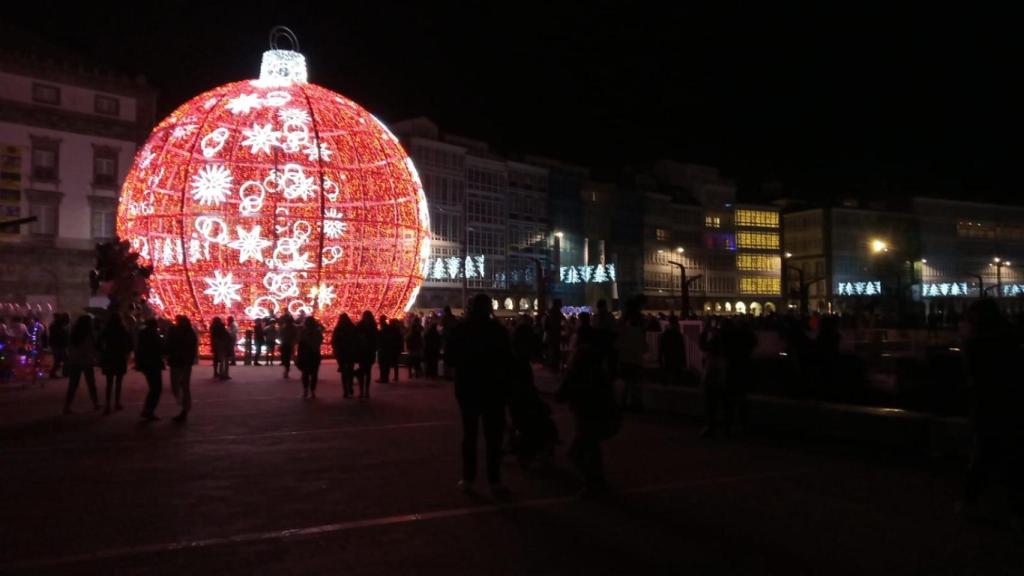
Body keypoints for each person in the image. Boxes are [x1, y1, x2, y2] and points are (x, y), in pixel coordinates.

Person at [961, 299, 1022, 525]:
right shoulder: (1008, 338)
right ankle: (1012, 506)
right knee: (1009, 454)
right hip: (1008, 402)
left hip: (985, 404)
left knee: (983, 454)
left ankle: (971, 501)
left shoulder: (975, 344)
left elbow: (974, 377)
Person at [446, 293, 513, 496]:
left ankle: (468, 478)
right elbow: (507, 360)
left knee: (470, 435)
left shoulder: (461, 329)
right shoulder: (498, 331)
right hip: (493, 389)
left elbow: (450, 359)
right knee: (493, 437)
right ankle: (495, 480)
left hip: (468, 388)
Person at [558, 316, 618, 495]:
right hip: (597, 413)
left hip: (584, 415)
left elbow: (561, 394)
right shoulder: (599, 370)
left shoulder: (576, 369)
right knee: (591, 449)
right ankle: (596, 481)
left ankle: (593, 482)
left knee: (579, 452)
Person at [63, 315, 99, 414]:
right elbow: (91, 348)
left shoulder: (74, 334)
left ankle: (67, 406)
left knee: (73, 385)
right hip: (86, 361)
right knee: (91, 384)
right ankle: (95, 403)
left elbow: (70, 348)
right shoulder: (89, 335)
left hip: (75, 361)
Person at [616, 299, 647, 410]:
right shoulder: (639, 325)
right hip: (635, 356)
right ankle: (635, 402)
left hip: (625, 356)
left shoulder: (622, 324)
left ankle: (624, 401)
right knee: (635, 381)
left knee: (626, 380)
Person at [98, 314, 132, 414]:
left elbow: (98, 342)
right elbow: (130, 344)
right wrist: (126, 351)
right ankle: (117, 402)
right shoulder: (123, 330)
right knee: (118, 381)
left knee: (109, 382)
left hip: (109, 356)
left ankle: (108, 404)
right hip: (120, 356)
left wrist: (103, 350)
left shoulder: (107, 330)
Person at [167, 315, 198, 422]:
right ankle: (184, 405)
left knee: (181, 385)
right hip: (182, 362)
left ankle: (184, 407)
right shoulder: (187, 332)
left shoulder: (183, 333)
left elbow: (171, 345)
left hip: (180, 362)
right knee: (181, 385)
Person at [135, 318, 165, 421]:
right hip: (153, 363)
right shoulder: (153, 334)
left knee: (154, 388)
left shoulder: (143, 334)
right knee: (156, 388)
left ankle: (148, 410)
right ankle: (148, 410)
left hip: (147, 363)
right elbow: (159, 347)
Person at [297, 316, 324, 399]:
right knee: (314, 373)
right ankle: (312, 390)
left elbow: (300, 344)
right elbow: (320, 341)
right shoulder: (317, 332)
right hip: (314, 354)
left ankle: (306, 390)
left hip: (306, 355)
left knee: (305, 373)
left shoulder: (303, 332)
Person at [332, 314, 358, 398]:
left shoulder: (338, 328)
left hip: (342, 353)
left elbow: (334, 341)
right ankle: (349, 386)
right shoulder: (352, 327)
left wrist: (336, 350)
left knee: (344, 372)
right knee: (350, 370)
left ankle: (345, 390)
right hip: (350, 352)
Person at [658, 315, 686, 386]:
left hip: (669, 356)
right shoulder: (677, 335)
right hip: (675, 357)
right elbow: (682, 348)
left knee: (669, 373)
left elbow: (661, 347)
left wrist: (660, 357)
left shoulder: (665, 334)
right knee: (675, 374)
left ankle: (668, 385)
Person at [356, 311, 378, 398]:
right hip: (368, 351)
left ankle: (363, 390)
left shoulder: (361, 325)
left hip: (364, 351)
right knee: (367, 371)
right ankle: (365, 390)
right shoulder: (373, 325)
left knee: (363, 371)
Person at [48, 313, 70, 379]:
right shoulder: (59, 326)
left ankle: (54, 373)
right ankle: (64, 373)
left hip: (56, 345)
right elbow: (62, 336)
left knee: (59, 360)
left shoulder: (54, 326)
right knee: (65, 359)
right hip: (59, 345)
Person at [279, 314, 297, 378]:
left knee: (286, 358)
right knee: (290, 357)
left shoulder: (283, 328)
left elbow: (280, 335)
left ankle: (286, 370)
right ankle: (287, 369)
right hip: (289, 344)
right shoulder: (293, 327)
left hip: (285, 344)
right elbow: (296, 336)